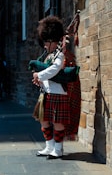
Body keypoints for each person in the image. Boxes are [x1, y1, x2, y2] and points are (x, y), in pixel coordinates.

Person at [32, 16, 69, 159]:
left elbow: (55, 69)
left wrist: (39, 75)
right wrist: (40, 81)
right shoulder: (49, 55)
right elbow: (48, 73)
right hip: (46, 92)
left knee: (57, 121)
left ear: (54, 41)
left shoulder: (59, 55)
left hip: (58, 93)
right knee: (44, 119)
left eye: (47, 42)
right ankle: (49, 146)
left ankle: (58, 149)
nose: (45, 45)